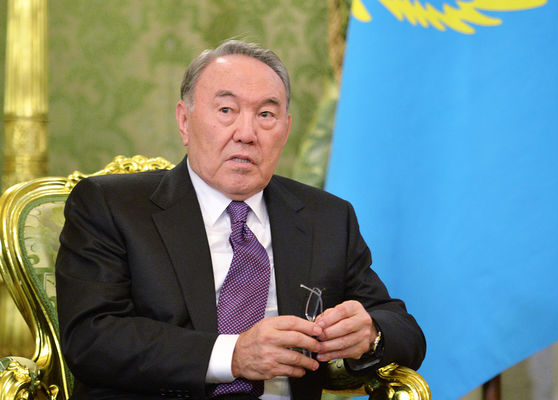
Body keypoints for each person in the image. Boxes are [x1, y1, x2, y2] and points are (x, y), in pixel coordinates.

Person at [56, 40, 426, 400]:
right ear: (184, 121)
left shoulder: (326, 217)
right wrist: (232, 355)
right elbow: (91, 338)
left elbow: (404, 330)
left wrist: (371, 333)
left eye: (266, 115)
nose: (246, 135)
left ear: (285, 130)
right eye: (226, 110)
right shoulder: (111, 206)